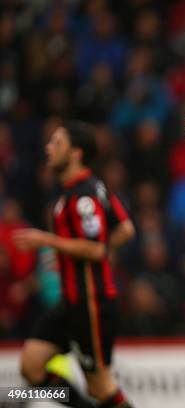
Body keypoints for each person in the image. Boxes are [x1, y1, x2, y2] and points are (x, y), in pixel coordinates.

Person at [13, 121, 135, 408]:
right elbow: (125, 228)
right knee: (31, 366)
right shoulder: (83, 188)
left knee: (102, 387)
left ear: (76, 153)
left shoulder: (83, 196)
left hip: (91, 302)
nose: (49, 148)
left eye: (57, 143)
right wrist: (91, 248)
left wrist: (49, 241)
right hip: (70, 301)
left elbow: (94, 249)